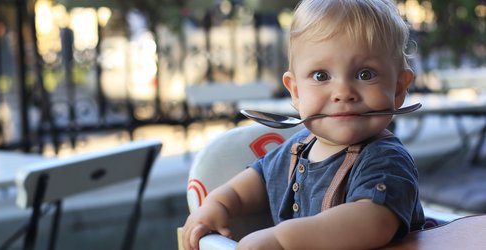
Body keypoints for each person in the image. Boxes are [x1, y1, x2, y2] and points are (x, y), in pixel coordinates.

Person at [182, 0, 425, 249]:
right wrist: (217, 205)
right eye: (321, 76)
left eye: (365, 74)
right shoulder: (296, 150)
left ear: (398, 89)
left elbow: (373, 221)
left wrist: (282, 239)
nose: (342, 92)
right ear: (296, 92)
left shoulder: (385, 159)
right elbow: (252, 185)